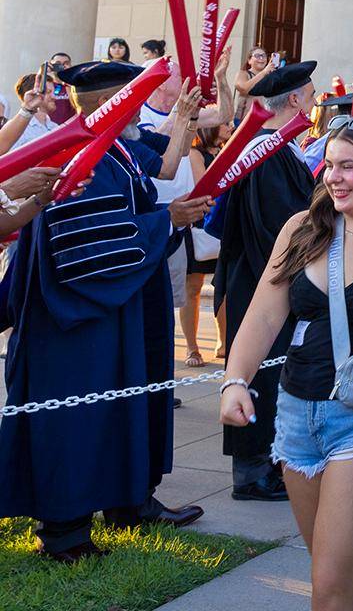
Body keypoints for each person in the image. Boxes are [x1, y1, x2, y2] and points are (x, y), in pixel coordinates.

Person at [0, 61, 210, 561]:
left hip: (116, 307)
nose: (140, 104)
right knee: (77, 416)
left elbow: (160, 168)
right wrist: (166, 220)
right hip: (77, 317)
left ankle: (126, 501)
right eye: (131, 95)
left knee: (119, 406)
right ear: (103, 103)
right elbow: (92, 249)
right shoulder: (79, 155)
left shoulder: (113, 147)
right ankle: (64, 532)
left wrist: (181, 118)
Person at [219, 116, 353, 610]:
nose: (334, 177)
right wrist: (234, 381)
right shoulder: (303, 228)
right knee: (337, 573)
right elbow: (264, 314)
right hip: (294, 417)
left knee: (329, 585)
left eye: (349, 166)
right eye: (329, 164)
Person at [211, 59, 320, 501]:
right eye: (311, 98)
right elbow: (280, 223)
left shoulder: (274, 147)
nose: (314, 106)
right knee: (259, 372)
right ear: (293, 100)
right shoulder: (264, 151)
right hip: (260, 279)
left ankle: (269, 463)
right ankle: (253, 473)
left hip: (261, 277)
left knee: (273, 374)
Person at [182, 123, 227, 365]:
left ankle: (224, 341)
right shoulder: (195, 153)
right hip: (200, 221)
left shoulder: (222, 150)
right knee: (194, 287)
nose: (229, 127)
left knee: (223, 284)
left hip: (221, 222)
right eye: (224, 124)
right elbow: (205, 185)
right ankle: (192, 347)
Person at [233, 46, 276, 120]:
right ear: (249, 60)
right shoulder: (243, 74)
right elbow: (243, 88)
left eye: (263, 56)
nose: (261, 58)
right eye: (257, 56)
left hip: (266, 121)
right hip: (245, 120)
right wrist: (264, 72)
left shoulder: (270, 75)